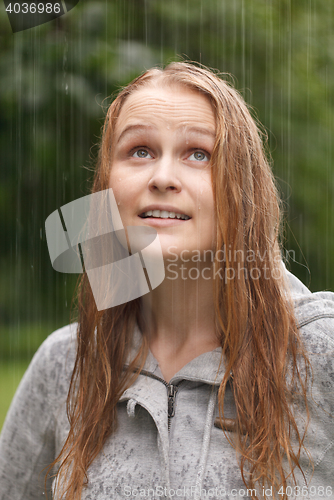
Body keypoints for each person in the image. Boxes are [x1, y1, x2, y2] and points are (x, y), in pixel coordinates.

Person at [0, 62, 334, 500]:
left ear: (243, 188)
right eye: (140, 150)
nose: (161, 178)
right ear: (106, 187)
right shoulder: (64, 366)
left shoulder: (321, 353)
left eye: (199, 153)